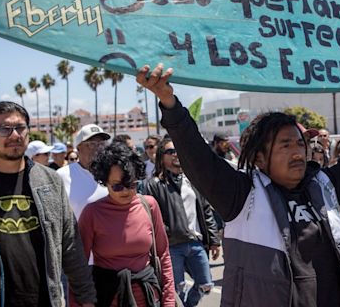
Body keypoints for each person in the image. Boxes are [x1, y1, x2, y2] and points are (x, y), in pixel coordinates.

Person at [137, 63, 340, 306]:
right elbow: (198, 158)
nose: (298, 152)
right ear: (259, 158)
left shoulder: (323, 185)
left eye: (300, 144)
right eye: (285, 145)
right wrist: (170, 105)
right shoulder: (241, 196)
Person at [0, 101, 95, 306]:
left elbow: (71, 246)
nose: (15, 135)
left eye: (20, 127)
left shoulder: (50, 181)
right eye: (4, 129)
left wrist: (87, 298)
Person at [79, 142, 175, 306]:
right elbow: (79, 267)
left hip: (149, 297)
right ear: (104, 182)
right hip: (107, 297)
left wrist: (169, 300)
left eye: (131, 184)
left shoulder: (149, 206)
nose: (125, 191)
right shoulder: (92, 213)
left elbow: (163, 255)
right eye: (117, 186)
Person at [143, 137, 221, 307]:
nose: (176, 154)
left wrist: (214, 240)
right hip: (172, 246)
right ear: (162, 156)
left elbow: (206, 210)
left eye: (178, 149)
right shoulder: (154, 184)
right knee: (176, 290)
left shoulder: (192, 179)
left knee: (205, 284)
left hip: (196, 243)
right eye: (170, 151)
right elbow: (151, 216)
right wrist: (167, 232)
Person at [57, 124, 110, 219]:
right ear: (78, 148)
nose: (98, 148)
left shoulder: (111, 172)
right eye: (92, 144)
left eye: (102, 143)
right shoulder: (62, 175)